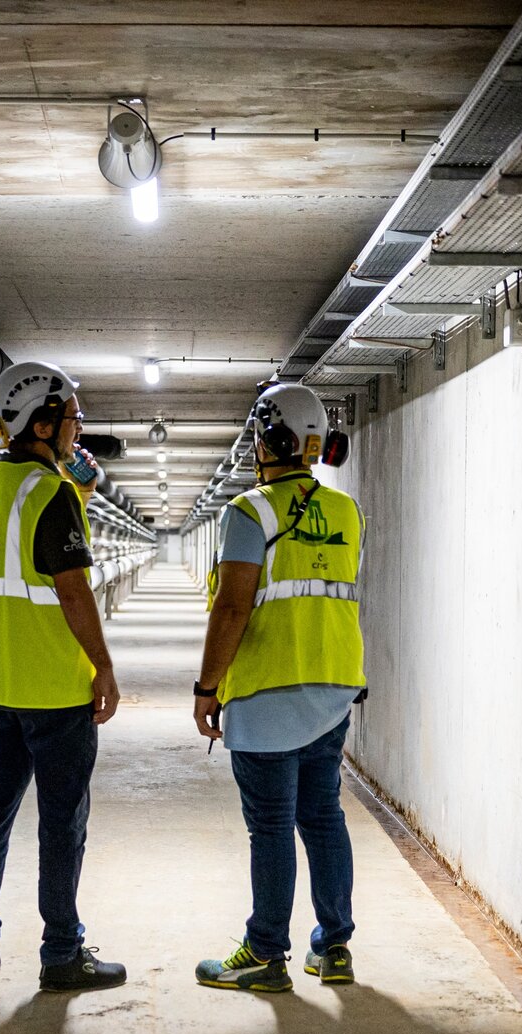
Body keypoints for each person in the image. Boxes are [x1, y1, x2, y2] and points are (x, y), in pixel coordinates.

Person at [0, 360, 127, 993]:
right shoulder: (50, 494)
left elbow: (15, 559)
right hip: (54, 691)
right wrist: (104, 666)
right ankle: (61, 953)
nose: (78, 430)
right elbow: (72, 590)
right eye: (73, 418)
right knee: (62, 822)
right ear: (43, 420)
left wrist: (72, 489)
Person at [192, 383, 366, 993]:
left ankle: (266, 952)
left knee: (270, 825)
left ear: (270, 439)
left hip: (268, 689)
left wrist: (207, 685)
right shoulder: (346, 513)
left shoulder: (249, 512)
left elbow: (233, 608)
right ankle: (335, 946)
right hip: (333, 688)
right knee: (322, 816)